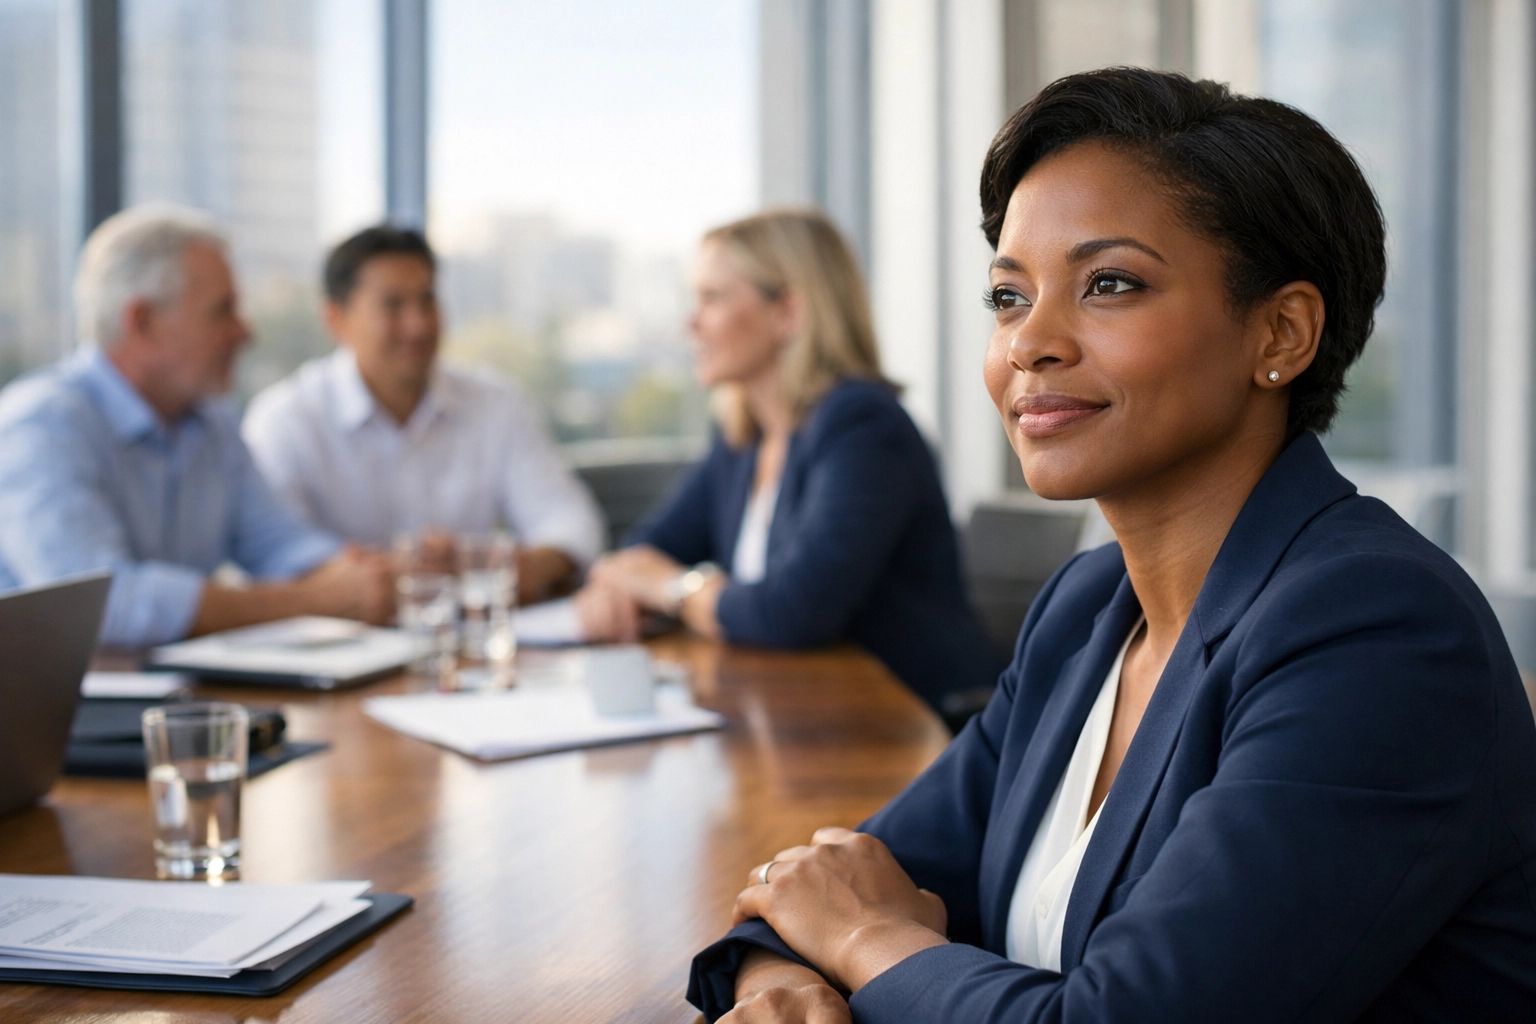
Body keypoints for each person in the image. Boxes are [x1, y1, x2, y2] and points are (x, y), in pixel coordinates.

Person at [687, 70, 1536, 1023]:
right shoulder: (1086, 609)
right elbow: (837, 879)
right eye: (1009, 296)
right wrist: (784, 981)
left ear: (1281, 333)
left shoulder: (1376, 632)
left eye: (1110, 284)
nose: (1030, 343)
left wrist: (859, 944)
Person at [579, 210, 1004, 724]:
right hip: (800, 721)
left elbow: (793, 612)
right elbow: (649, 550)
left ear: (787, 312)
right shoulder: (745, 436)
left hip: (913, 730)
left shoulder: (865, 426)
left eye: (712, 298)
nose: (690, 323)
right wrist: (617, 583)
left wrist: (672, 588)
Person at [0, 204, 394, 649]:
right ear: (143, 322)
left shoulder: (211, 423)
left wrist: (362, 575)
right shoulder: (39, 428)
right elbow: (106, 606)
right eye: (222, 311)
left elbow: (280, 543)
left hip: (179, 689)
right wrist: (312, 601)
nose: (244, 332)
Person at [242, 226, 605, 605]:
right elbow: (271, 554)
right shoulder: (285, 421)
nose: (418, 325)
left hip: (474, 629)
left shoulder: (497, 403)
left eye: (427, 301)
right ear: (336, 319)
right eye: (393, 306)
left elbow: (573, 525)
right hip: (340, 635)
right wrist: (373, 577)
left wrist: (508, 566)